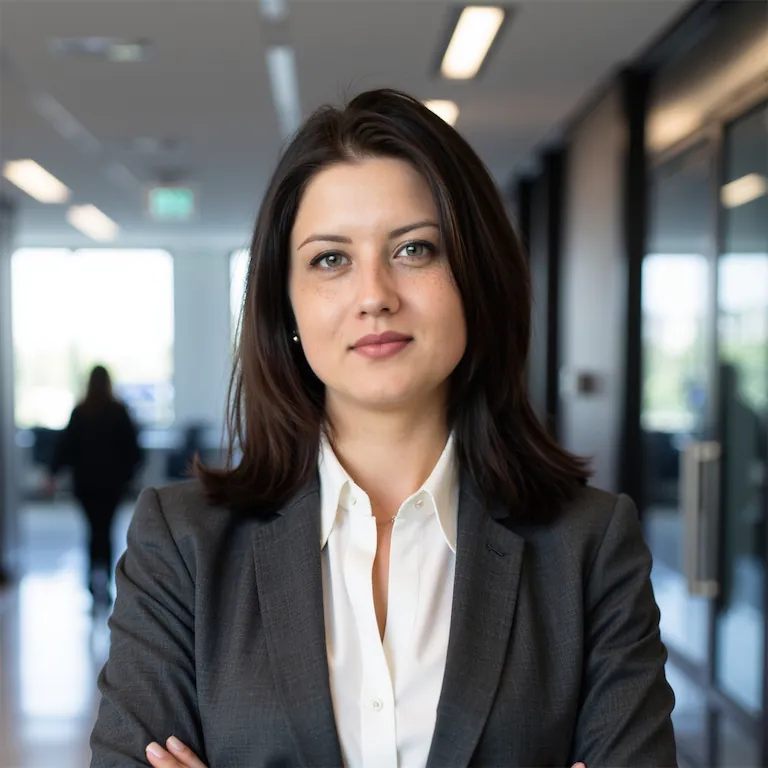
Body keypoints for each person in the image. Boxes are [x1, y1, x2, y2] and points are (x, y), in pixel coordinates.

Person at [90, 89, 677, 767]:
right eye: (330, 260)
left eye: (415, 250)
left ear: (476, 278)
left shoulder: (588, 546)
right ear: (286, 305)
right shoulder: (183, 543)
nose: (374, 295)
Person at [49, 365, 141, 604]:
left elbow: (65, 448)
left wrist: (52, 473)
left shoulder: (81, 412)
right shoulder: (118, 412)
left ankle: (92, 580)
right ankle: (106, 582)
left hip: (86, 486)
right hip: (111, 486)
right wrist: (129, 477)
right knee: (106, 531)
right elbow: (132, 450)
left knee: (92, 532)